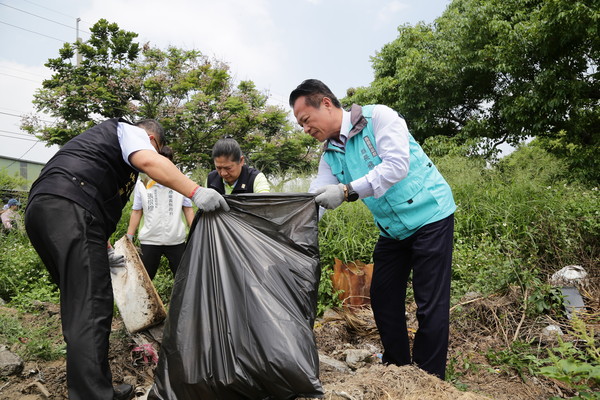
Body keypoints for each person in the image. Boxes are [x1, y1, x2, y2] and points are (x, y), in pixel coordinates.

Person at [24, 118, 229, 400]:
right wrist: (195, 191)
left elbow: (96, 201)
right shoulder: (130, 132)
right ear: (153, 140)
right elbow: (145, 161)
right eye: (155, 150)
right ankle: (93, 395)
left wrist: (104, 247)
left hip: (44, 210)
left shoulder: (104, 157)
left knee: (81, 305)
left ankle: (97, 388)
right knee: (90, 309)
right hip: (69, 207)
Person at [289, 79, 456, 380]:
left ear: (325, 103)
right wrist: (289, 223)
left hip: (430, 215)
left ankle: (429, 382)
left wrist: (348, 190)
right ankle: (398, 370)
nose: (305, 129)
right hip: (393, 229)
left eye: (305, 120)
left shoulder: (378, 117)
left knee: (430, 303)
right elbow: (319, 195)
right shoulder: (330, 154)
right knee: (383, 297)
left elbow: (396, 166)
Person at [126, 146, 194, 280]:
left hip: (176, 240)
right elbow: (137, 211)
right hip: (150, 240)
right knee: (144, 281)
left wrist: (196, 233)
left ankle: (181, 302)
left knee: (184, 280)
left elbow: (188, 209)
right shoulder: (143, 184)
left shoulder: (181, 182)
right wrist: (129, 236)